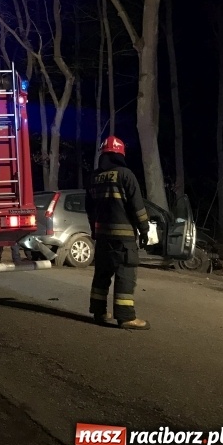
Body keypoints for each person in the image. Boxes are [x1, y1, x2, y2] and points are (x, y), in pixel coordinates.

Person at [85, 136, 151, 330]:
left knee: (102, 274)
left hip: (103, 237)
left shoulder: (94, 177)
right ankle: (126, 317)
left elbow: (89, 208)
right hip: (124, 239)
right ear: (120, 154)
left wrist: (94, 229)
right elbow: (137, 206)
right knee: (125, 274)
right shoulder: (125, 174)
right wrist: (145, 229)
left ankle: (99, 312)